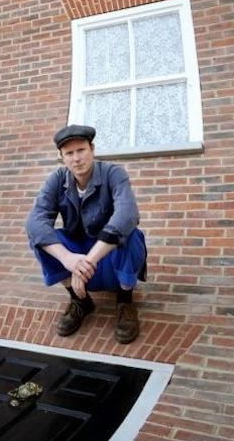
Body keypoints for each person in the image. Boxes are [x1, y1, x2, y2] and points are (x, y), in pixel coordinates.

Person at [26, 124, 146, 343]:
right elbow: (35, 221)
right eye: (69, 153)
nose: (76, 158)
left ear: (92, 149)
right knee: (41, 238)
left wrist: (86, 263)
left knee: (131, 233)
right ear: (62, 157)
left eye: (81, 150)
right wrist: (67, 258)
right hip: (78, 255)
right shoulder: (57, 179)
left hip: (107, 258)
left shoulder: (113, 173)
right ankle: (80, 301)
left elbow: (127, 214)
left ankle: (125, 302)